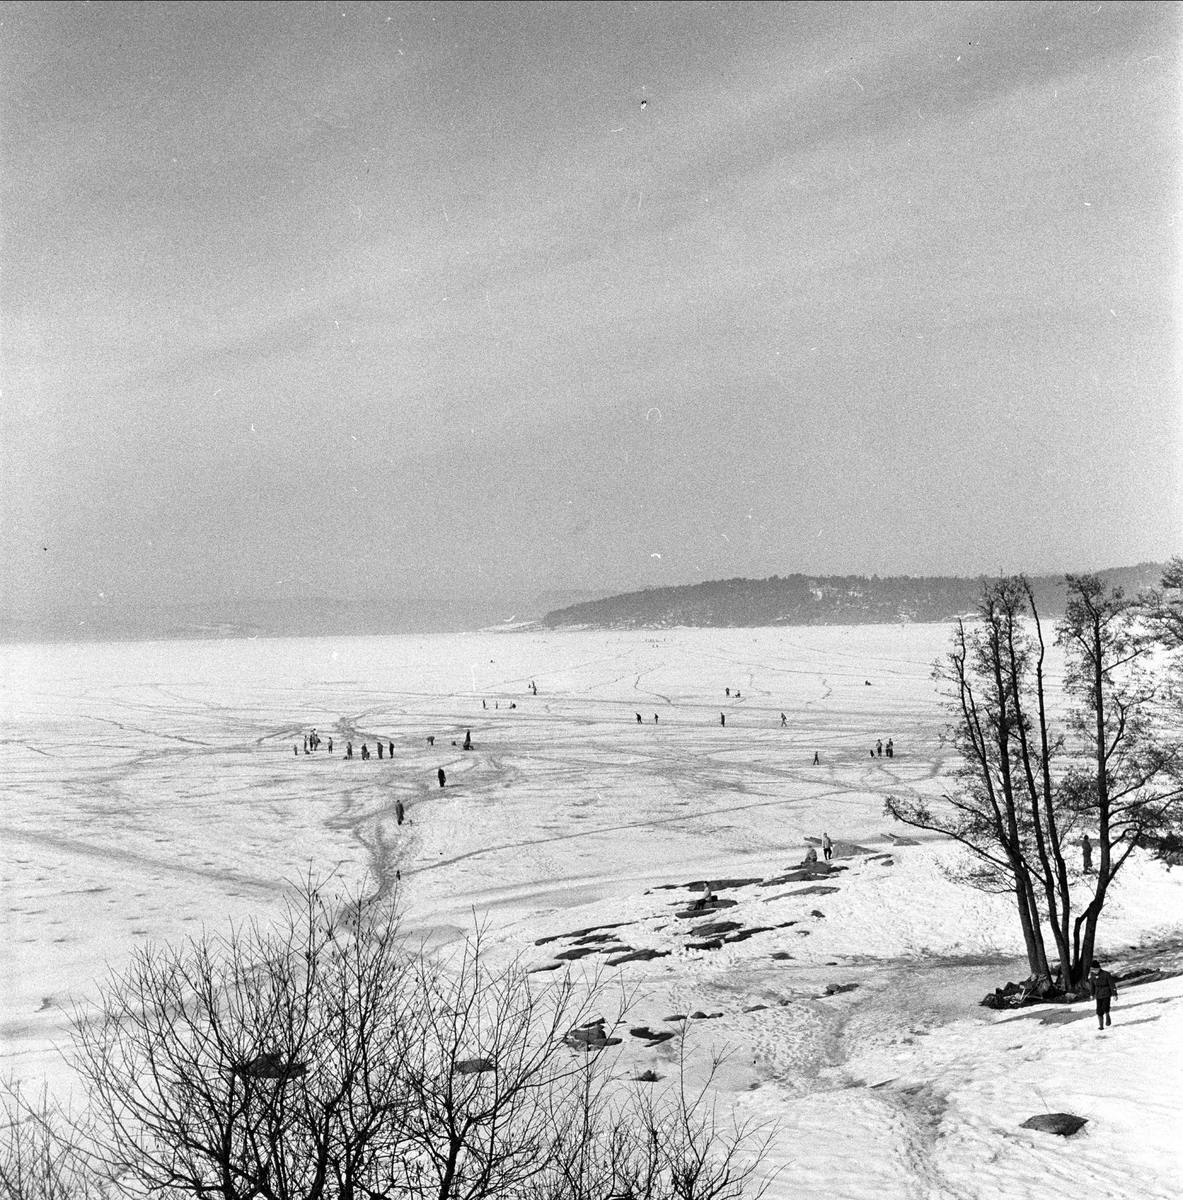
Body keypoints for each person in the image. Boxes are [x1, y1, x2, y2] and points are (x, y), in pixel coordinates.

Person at [1088, 962, 1118, 1030]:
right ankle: (1101, 1026)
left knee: (1105, 1006)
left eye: (1095, 969)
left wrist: (1114, 994)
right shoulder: (1092, 975)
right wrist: (1091, 994)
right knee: (1099, 1010)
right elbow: (1092, 985)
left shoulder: (1106, 974)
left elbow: (1112, 984)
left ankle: (1107, 1015)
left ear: (1099, 968)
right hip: (1098, 994)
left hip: (1106, 993)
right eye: (1092, 970)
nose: (1094, 971)